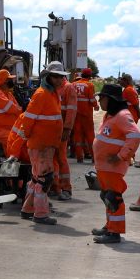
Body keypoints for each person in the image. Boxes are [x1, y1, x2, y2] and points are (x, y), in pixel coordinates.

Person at [8, 60, 67, 225]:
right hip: (40, 145)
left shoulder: (53, 94)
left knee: (37, 179)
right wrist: (29, 140)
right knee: (44, 179)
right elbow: (28, 120)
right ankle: (40, 214)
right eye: (55, 76)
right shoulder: (42, 94)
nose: (59, 80)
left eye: (61, 77)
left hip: (47, 144)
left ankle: (27, 209)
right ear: (48, 77)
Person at [91, 83, 140, 245]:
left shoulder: (122, 115)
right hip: (105, 167)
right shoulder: (111, 115)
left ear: (110, 99)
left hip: (113, 167)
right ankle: (109, 226)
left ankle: (115, 232)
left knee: (114, 198)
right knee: (107, 196)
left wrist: (121, 156)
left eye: (102, 98)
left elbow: (135, 135)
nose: (99, 102)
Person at [52, 72, 78, 201]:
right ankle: (54, 186)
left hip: (61, 130)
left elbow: (71, 110)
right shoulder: (51, 88)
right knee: (52, 159)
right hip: (51, 130)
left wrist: (67, 128)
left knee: (61, 158)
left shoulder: (68, 88)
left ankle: (66, 188)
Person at [72, 67, 98, 163]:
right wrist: (96, 106)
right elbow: (92, 99)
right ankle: (94, 158)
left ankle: (79, 157)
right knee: (90, 135)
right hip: (86, 114)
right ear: (90, 76)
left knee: (77, 135)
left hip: (76, 113)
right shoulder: (89, 85)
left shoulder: (74, 84)